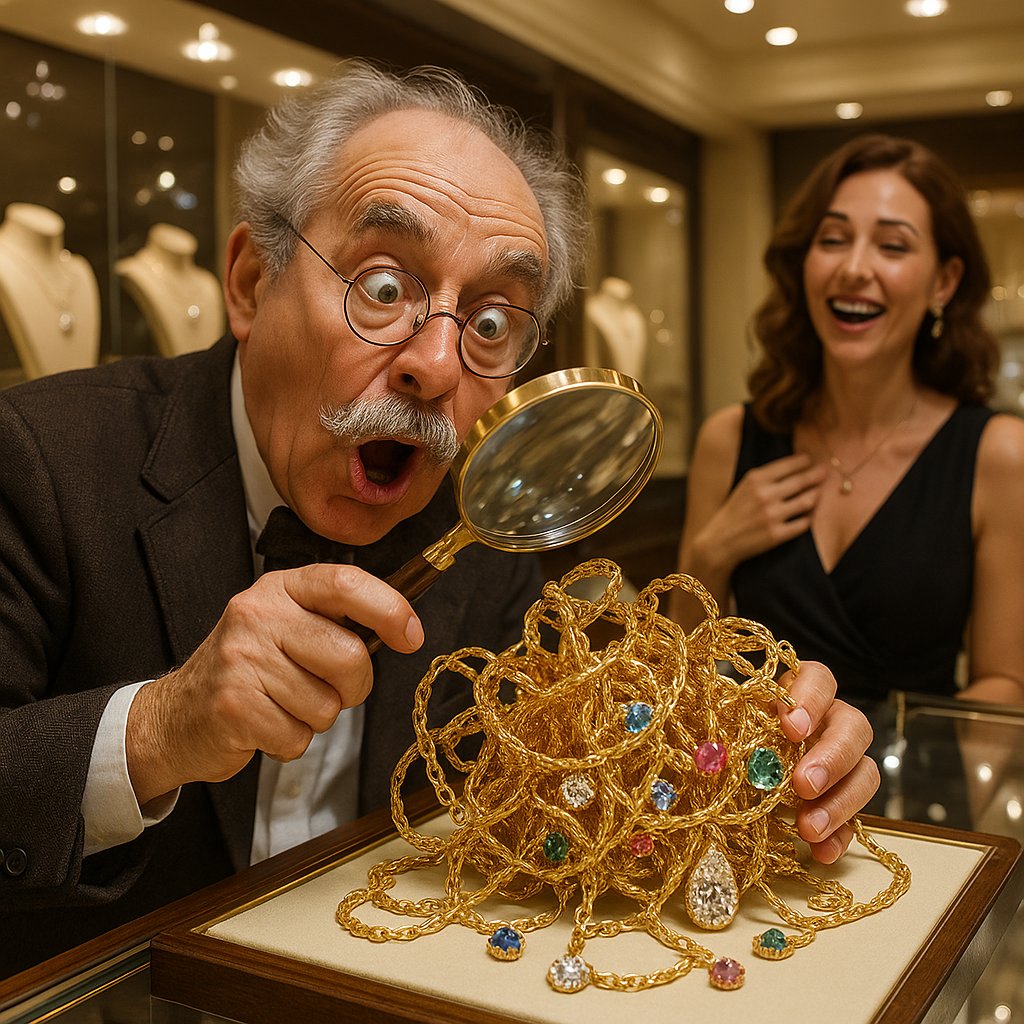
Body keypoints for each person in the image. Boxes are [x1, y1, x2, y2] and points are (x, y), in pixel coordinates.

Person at [0, 62, 876, 977]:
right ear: (254, 282)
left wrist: (751, 751)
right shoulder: (38, 460)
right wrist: (162, 726)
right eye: (383, 288)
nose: (438, 363)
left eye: (492, 320)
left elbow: (562, 780)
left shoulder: (488, 534)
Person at [672, 133, 1024, 712]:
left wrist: (868, 751)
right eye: (832, 240)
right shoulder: (730, 439)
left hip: (905, 794)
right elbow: (678, 669)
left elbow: (1004, 683)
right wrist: (710, 556)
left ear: (944, 281)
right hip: (755, 793)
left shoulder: (996, 453)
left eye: (892, 247)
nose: (854, 268)